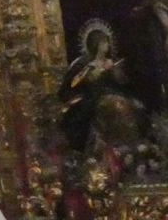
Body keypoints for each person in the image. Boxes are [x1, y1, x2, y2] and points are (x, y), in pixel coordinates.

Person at [57, 20, 144, 154]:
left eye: (107, 42)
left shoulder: (109, 61)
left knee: (134, 105)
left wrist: (116, 72)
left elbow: (120, 83)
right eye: (104, 43)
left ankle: (130, 145)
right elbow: (72, 84)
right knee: (117, 105)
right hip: (91, 97)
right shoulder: (84, 63)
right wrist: (93, 75)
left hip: (110, 93)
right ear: (95, 44)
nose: (107, 46)